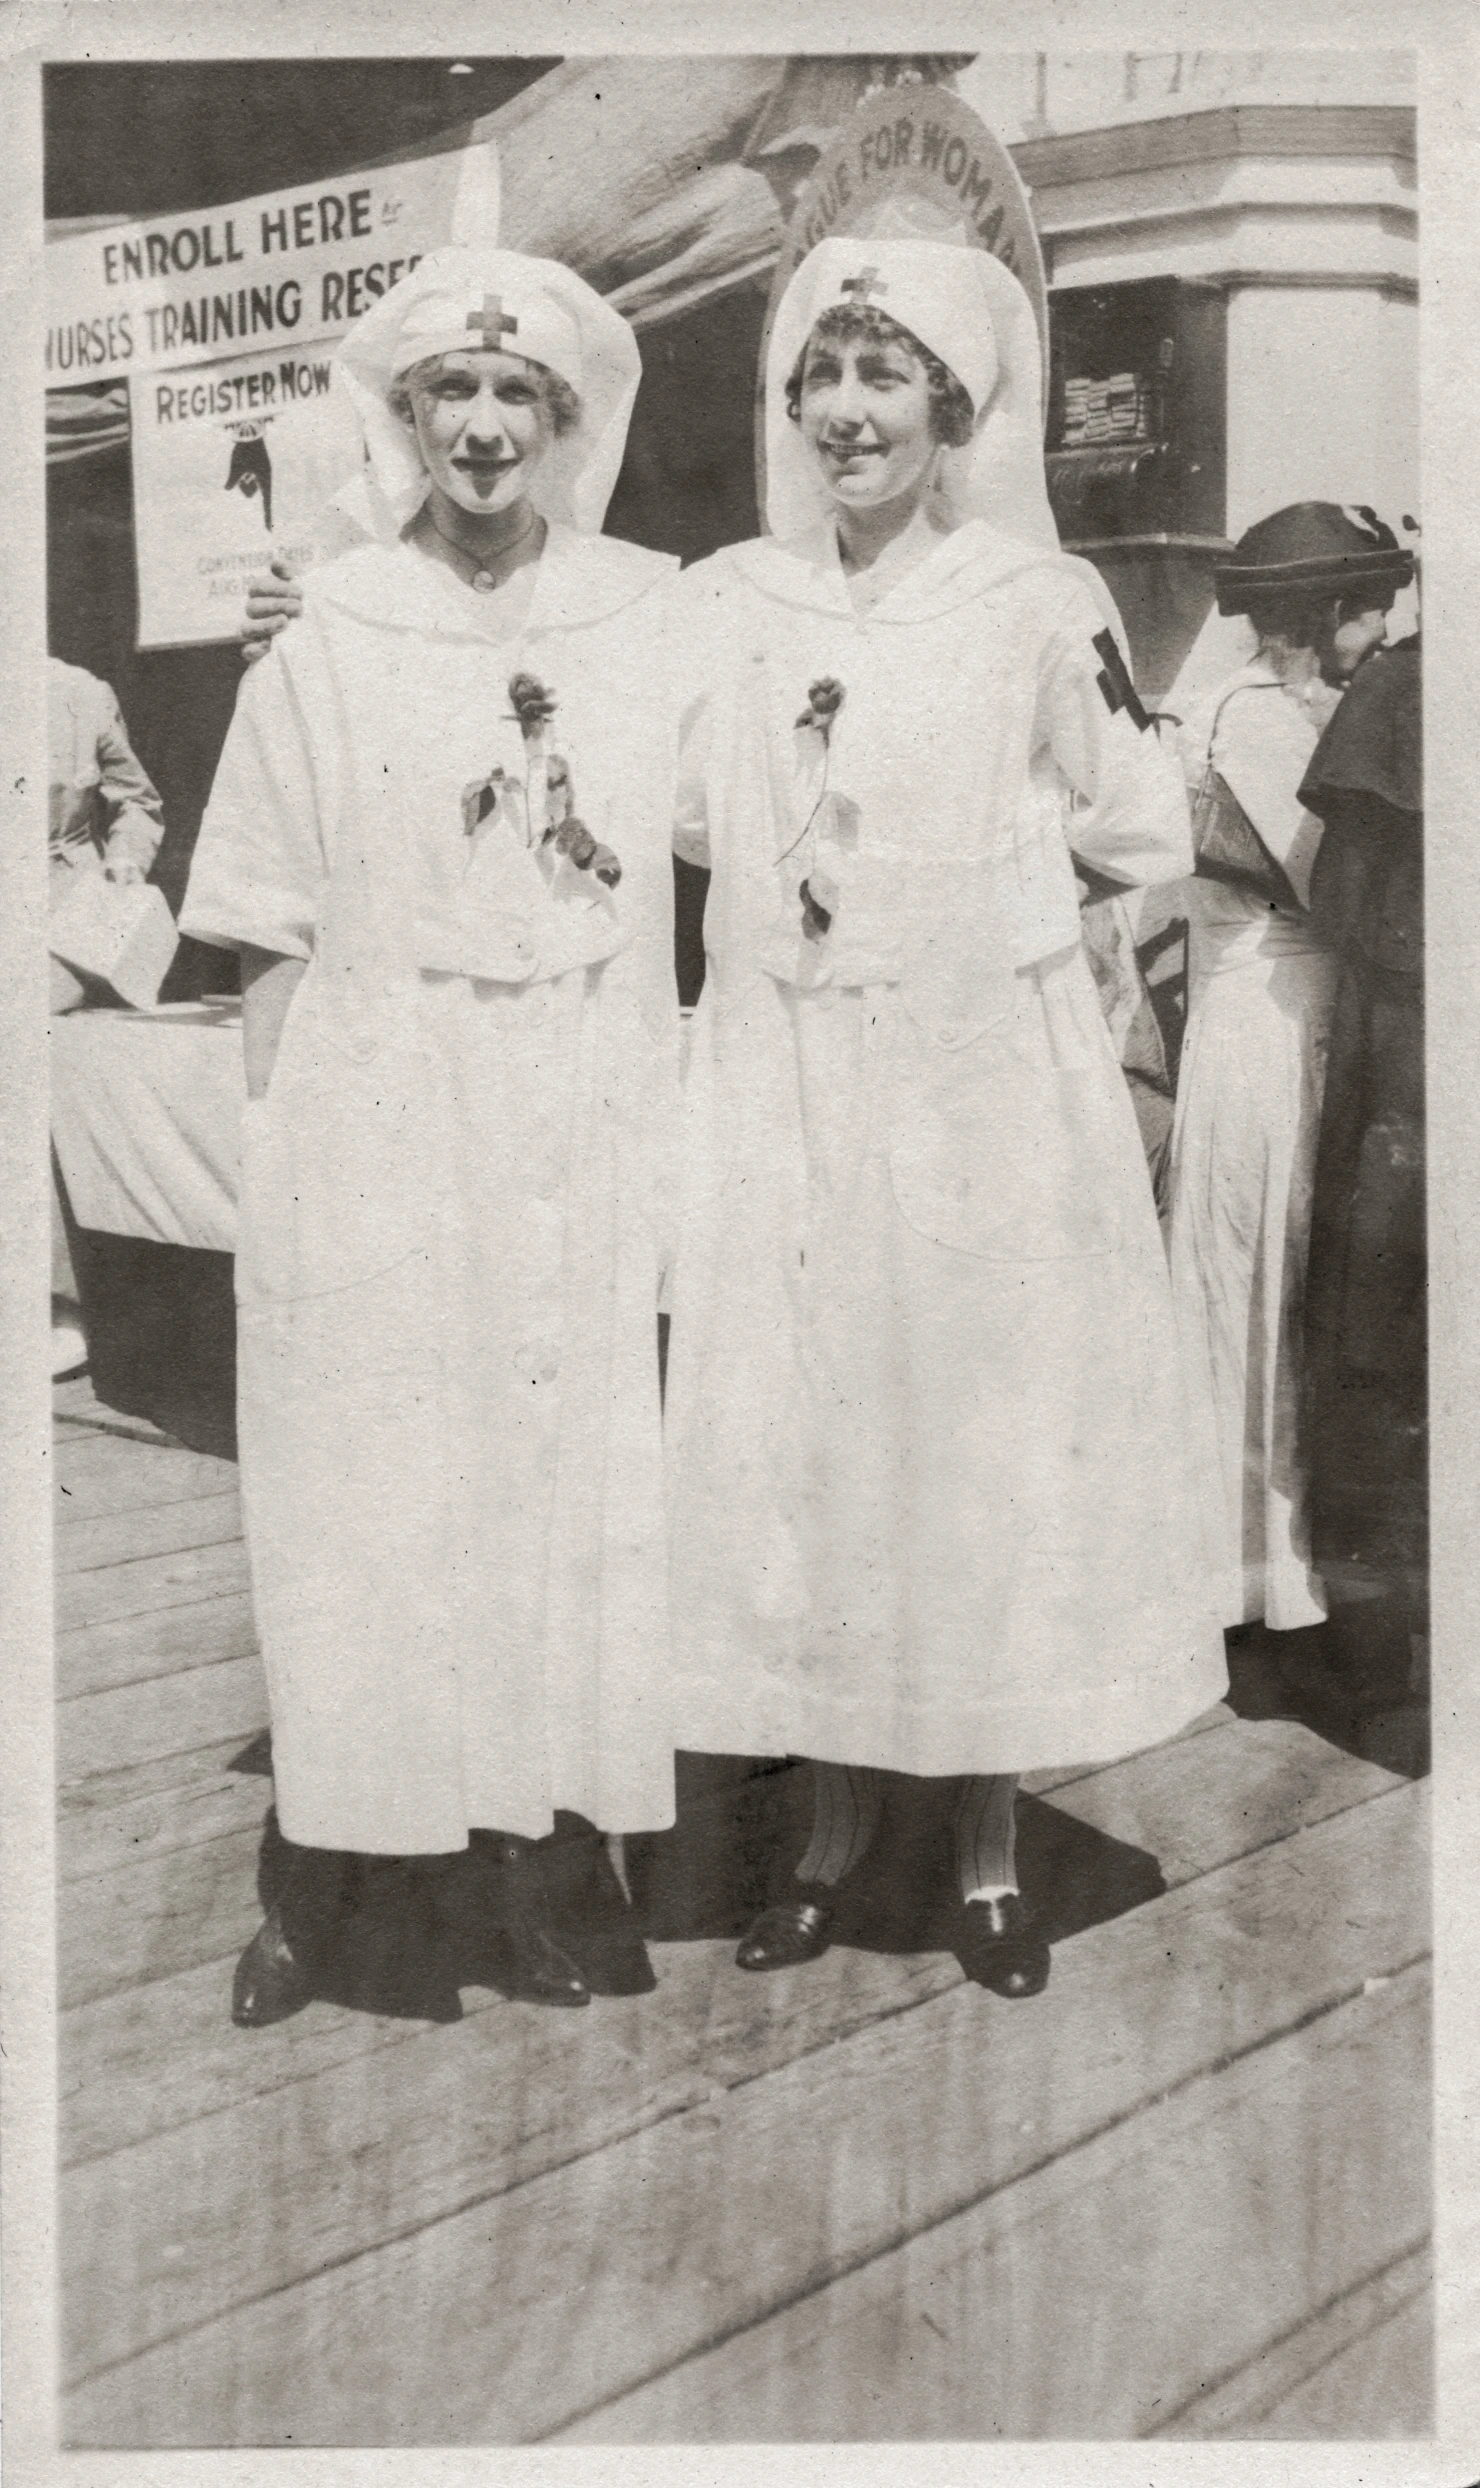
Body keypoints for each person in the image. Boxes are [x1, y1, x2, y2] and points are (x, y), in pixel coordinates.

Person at [662, 236, 1229, 1995]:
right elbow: (678, 811)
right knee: (812, 1453)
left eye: (884, 375)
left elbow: (1143, 825)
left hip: (974, 1095)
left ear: (952, 408)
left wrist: (1000, 930)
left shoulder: (1031, 605)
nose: (847, 410)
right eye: (822, 377)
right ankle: (827, 1836)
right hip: (790, 1088)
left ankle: (984, 1853)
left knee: (965, 1454)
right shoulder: (728, 601)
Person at [179, 248, 683, 2026]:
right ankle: (326, 1878)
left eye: (517, 399)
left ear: (563, 425)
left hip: (573, 1104)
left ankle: (543, 1863)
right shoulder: (325, 629)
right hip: (381, 1105)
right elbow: (261, 916)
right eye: (449, 398)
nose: (482, 427)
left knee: (555, 1487)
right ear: (404, 422)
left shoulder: (645, 614)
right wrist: (291, 1156)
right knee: (370, 1490)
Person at [1164, 505, 1413, 1636]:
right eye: (1367, 602)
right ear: (1317, 615)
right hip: (1274, 1011)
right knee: (1265, 1271)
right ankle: (1261, 1574)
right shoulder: (1250, 716)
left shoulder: (1284, 707)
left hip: (1290, 1012)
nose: (1384, 622)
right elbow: (1327, 882)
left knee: (1292, 1274)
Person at [1299, 611, 1424, 1675]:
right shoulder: (1397, 687)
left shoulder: (1397, 687)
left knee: (1384, 1323)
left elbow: (1337, 898)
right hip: (1408, 1061)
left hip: (1409, 1060)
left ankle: (1383, 1652)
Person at [48, 658, 168, 1374]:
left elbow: (138, 803)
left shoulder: (77, 693)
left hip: (67, 917)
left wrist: (125, 863)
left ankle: (58, 1303)